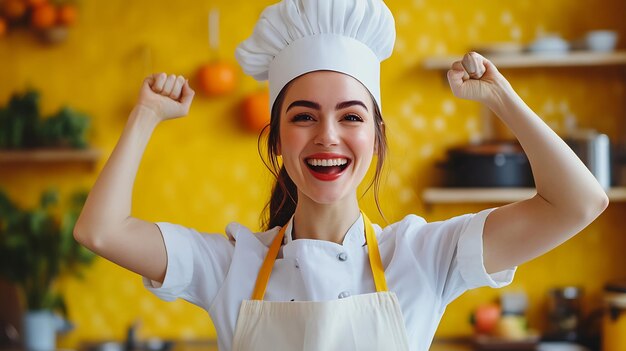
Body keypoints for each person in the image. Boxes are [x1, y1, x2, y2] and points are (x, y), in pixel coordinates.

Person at [74, 0, 609, 350]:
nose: (327, 135)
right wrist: (145, 116)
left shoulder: (424, 256)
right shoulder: (230, 265)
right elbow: (99, 231)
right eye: (303, 116)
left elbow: (579, 202)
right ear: (278, 140)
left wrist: (502, 99)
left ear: (375, 138)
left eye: (351, 116)